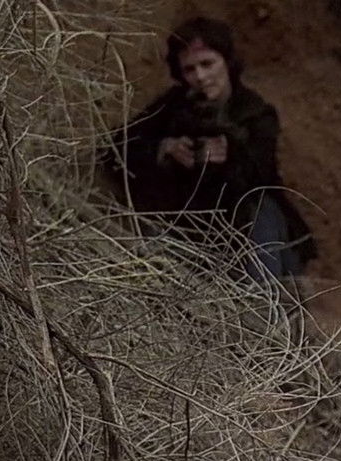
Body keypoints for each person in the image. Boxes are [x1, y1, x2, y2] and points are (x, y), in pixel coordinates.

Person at [108, 16, 315, 280]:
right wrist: (164, 148)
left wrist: (228, 156)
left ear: (226, 61)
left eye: (207, 64)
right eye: (189, 69)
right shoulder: (175, 106)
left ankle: (264, 299)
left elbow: (259, 176)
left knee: (261, 209)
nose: (200, 77)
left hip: (246, 227)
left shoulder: (256, 114)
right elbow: (115, 148)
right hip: (191, 228)